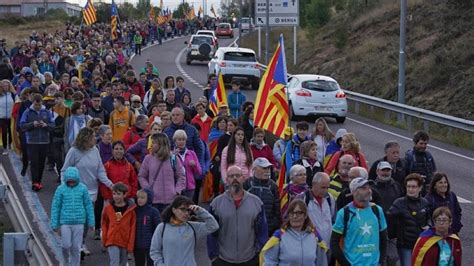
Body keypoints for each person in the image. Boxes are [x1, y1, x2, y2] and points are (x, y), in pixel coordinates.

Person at [61, 127, 114, 255]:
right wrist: (65, 187)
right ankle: (76, 244)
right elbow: (64, 170)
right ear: (85, 138)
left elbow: (100, 170)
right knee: (79, 218)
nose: (94, 139)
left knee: (84, 220)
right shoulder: (74, 152)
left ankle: (81, 241)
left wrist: (110, 185)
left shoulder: (95, 151)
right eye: (92, 137)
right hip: (76, 190)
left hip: (92, 191)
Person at [207, 165, 268, 265]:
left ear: (243, 178)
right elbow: (211, 232)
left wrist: (258, 251)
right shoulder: (216, 204)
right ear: (226, 180)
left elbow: (262, 230)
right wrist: (213, 256)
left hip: (249, 259)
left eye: (238, 175)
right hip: (223, 260)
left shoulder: (256, 203)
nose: (235, 178)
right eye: (231, 176)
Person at [330, 177, 388, 266]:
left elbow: (384, 239)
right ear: (354, 191)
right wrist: (346, 264)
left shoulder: (377, 210)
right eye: (364, 188)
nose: (369, 191)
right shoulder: (344, 213)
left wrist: (381, 261)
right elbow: (334, 243)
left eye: (369, 188)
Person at [150, 196, 219, 265]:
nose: (186, 213)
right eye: (183, 209)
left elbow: (213, 226)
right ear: (174, 210)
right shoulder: (162, 227)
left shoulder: (193, 227)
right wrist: (160, 264)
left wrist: (200, 211)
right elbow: (154, 251)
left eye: (188, 210)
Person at [260, 199, 328, 266]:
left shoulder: (315, 236)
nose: (295, 216)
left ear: (305, 215)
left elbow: (322, 263)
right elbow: (270, 261)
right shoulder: (279, 236)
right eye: (292, 213)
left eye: (299, 213)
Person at [50, 167, 94, 266]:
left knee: (76, 247)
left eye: (73, 181)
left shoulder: (83, 188)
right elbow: (56, 206)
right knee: (66, 245)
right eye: (69, 182)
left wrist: (91, 222)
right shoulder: (61, 189)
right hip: (65, 222)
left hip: (79, 222)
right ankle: (65, 261)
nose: (71, 183)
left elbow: (88, 205)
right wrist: (54, 224)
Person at [387, 174, 430, 266]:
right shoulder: (399, 202)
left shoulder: (425, 203)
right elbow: (389, 219)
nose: (410, 189)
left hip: (420, 243)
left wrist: (428, 226)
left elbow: (428, 219)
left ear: (420, 188)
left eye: (414, 187)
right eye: (408, 186)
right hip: (404, 245)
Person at [137, 133, 186, 213]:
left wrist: (177, 190)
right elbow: (142, 176)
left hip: (171, 200)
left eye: (154, 143)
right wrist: (148, 189)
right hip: (154, 200)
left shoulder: (173, 158)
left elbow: (181, 175)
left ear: (161, 144)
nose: (151, 145)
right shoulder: (148, 158)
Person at [372, 161, 405, 266]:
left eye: (388, 170)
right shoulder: (371, 188)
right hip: (377, 232)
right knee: (379, 260)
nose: (385, 173)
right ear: (377, 171)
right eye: (383, 170)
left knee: (392, 258)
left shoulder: (397, 186)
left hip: (393, 232)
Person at [20, 93, 54, 191]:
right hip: (32, 142)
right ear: (33, 103)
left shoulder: (47, 112)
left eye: (39, 105)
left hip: (44, 141)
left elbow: (52, 126)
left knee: (41, 163)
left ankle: (38, 181)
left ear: (42, 103)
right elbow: (22, 126)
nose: (37, 107)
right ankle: (35, 183)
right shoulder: (27, 112)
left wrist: (45, 125)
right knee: (34, 163)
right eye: (36, 105)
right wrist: (32, 124)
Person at [295, 172, 336, 249]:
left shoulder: (330, 199)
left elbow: (333, 220)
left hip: (327, 247)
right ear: (314, 184)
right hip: (308, 246)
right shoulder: (302, 198)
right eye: (323, 187)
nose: (325, 191)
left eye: (327, 188)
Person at [101, 182, 137, 266]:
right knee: (114, 262)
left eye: (118, 194)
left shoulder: (131, 210)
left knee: (123, 263)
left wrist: (130, 245)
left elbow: (132, 228)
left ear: (125, 195)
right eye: (114, 194)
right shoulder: (108, 209)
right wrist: (104, 240)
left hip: (124, 240)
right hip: (112, 240)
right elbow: (104, 224)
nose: (116, 196)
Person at [243, 157, 281, 236]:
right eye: (264, 168)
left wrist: (270, 227)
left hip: (268, 230)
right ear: (255, 169)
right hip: (248, 230)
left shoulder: (273, 186)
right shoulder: (247, 184)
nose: (267, 171)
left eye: (268, 168)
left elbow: (277, 211)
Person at [134, 189, 161, 266]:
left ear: (148, 198)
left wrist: (157, 242)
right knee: (138, 263)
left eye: (142, 198)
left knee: (151, 263)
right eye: (138, 197)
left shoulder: (153, 211)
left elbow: (158, 228)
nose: (139, 200)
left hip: (150, 244)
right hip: (137, 244)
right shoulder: (134, 210)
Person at [173, 129, 202, 199]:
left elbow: (199, 172)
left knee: (188, 207)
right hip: (176, 187)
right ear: (175, 141)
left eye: (183, 139)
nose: (181, 142)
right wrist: (173, 156)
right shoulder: (172, 155)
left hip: (189, 187)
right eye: (179, 139)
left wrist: (194, 165)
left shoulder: (191, 153)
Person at [0, 80, 15, 154]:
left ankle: (10, 145)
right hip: (2, 117)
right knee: (4, 132)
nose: (5, 87)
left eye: (7, 85)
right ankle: (5, 147)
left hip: (10, 116)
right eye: (4, 85)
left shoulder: (12, 94)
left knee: (11, 131)